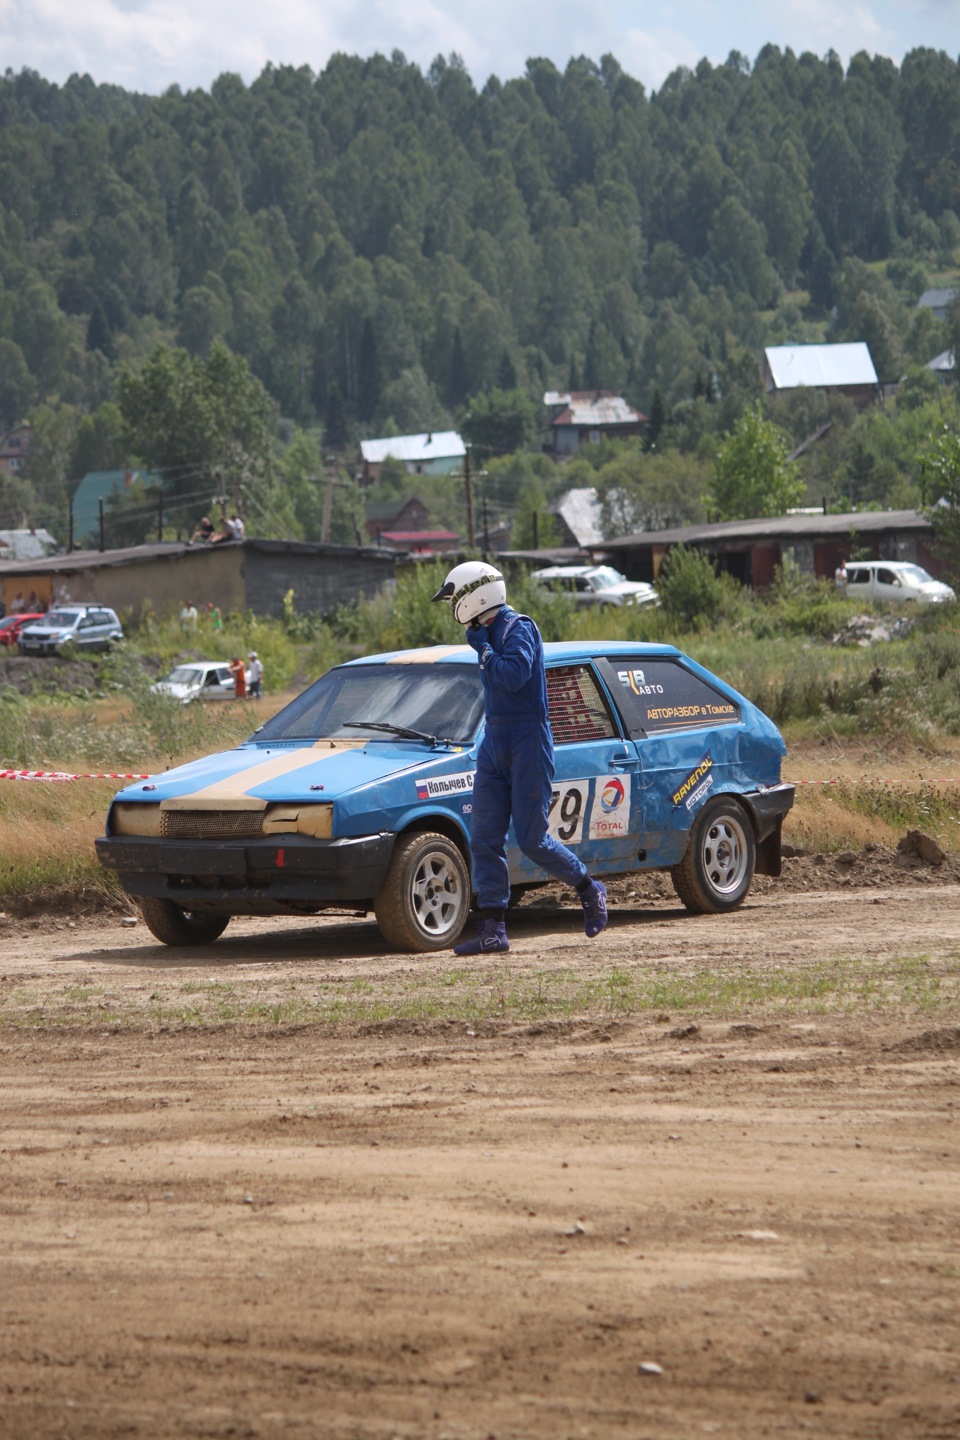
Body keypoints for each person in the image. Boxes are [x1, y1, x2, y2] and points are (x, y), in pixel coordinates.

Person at [431, 560, 608, 955]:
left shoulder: (518, 628)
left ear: (473, 596)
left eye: (453, 599)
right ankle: (493, 928)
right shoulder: (490, 635)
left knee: (532, 840)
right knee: (484, 839)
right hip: (494, 740)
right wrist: (485, 648)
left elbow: (514, 675)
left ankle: (589, 888)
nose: (451, 609)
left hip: (529, 741)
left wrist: (485, 652)